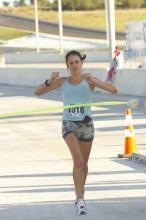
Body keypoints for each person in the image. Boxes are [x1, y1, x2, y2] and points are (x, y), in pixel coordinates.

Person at [35, 50, 118, 215]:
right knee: (78, 161)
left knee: (84, 165)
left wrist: (95, 81)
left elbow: (113, 90)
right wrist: (49, 81)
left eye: (76, 62)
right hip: (69, 124)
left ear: (81, 63)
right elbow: (38, 92)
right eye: (71, 63)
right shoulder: (62, 81)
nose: (74, 65)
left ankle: (80, 193)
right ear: (67, 66)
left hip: (86, 124)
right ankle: (80, 201)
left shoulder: (89, 80)